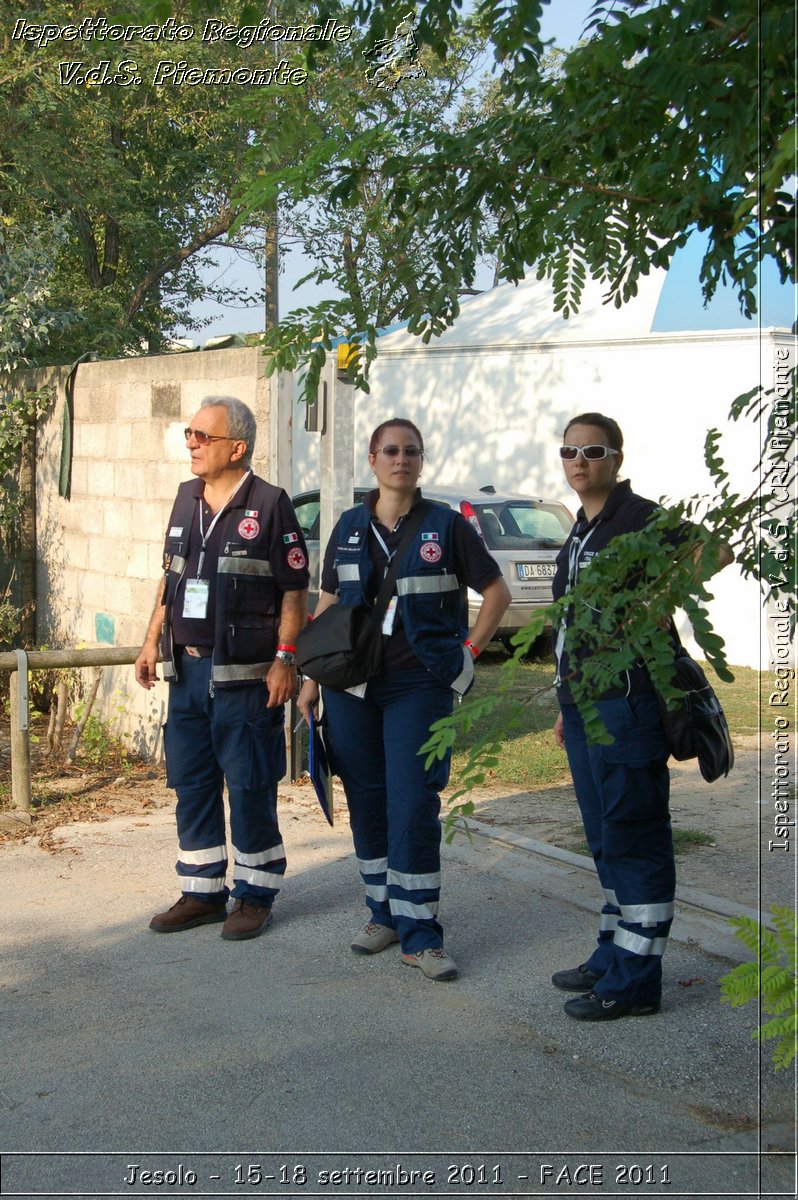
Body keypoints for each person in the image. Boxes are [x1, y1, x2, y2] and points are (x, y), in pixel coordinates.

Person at [297, 419, 511, 981]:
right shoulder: (346, 525)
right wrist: (310, 677)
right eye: (390, 451)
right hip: (350, 686)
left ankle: (422, 934)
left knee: (413, 802)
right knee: (366, 798)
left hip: (419, 684)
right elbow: (326, 601)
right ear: (372, 459)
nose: (401, 460)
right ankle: (383, 915)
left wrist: (468, 650)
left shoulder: (445, 524)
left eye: (410, 451)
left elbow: (496, 592)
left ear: (421, 460)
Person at [550, 413, 732, 1020]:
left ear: (616, 458)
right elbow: (571, 631)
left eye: (592, 450)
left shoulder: (641, 520)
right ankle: (612, 951)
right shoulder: (579, 529)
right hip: (584, 707)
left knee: (635, 833)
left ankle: (636, 981)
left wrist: (657, 600)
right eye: (569, 451)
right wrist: (563, 702)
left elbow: (718, 547)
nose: (579, 460)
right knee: (604, 837)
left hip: (628, 705)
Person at [135, 396, 308, 941]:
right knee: (192, 782)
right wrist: (149, 642)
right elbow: (170, 577)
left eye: (202, 436)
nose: (191, 443)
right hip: (186, 674)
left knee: (251, 782)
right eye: (189, 433)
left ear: (237, 446)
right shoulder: (186, 497)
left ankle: (254, 895)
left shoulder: (271, 504)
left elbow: (294, 590)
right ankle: (202, 891)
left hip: (245, 677)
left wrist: (286, 660)